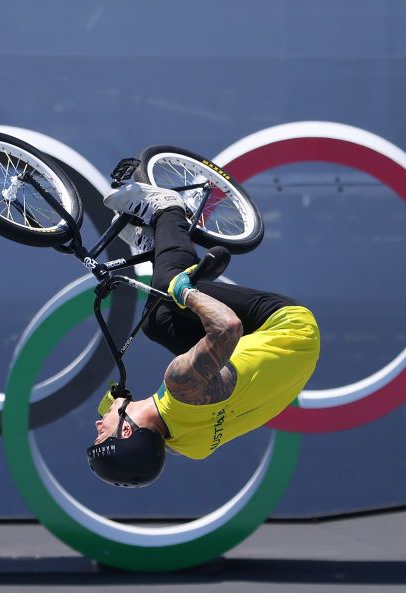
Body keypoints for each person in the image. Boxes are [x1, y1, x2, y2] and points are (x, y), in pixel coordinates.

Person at [87, 182, 320, 487]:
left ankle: (162, 242)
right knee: (170, 287)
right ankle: (171, 209)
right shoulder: (182, 383)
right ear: (127, 431)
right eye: (101, 433)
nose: (97, 425)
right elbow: (227, 327)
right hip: (288, 327)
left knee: (157, 322)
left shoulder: (191, 447)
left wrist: (115, 406)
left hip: (291, 369)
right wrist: (185, 291)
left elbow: (149, 432)